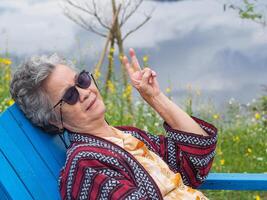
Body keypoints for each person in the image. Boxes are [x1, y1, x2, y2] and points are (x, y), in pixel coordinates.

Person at [10, 48, 218, 200]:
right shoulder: (86, 167)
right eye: (70, 95)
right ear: (54, 119)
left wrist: (154, 97)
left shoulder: (127, 137)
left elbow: (196, 161)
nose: (85, 92)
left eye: (81, 80)